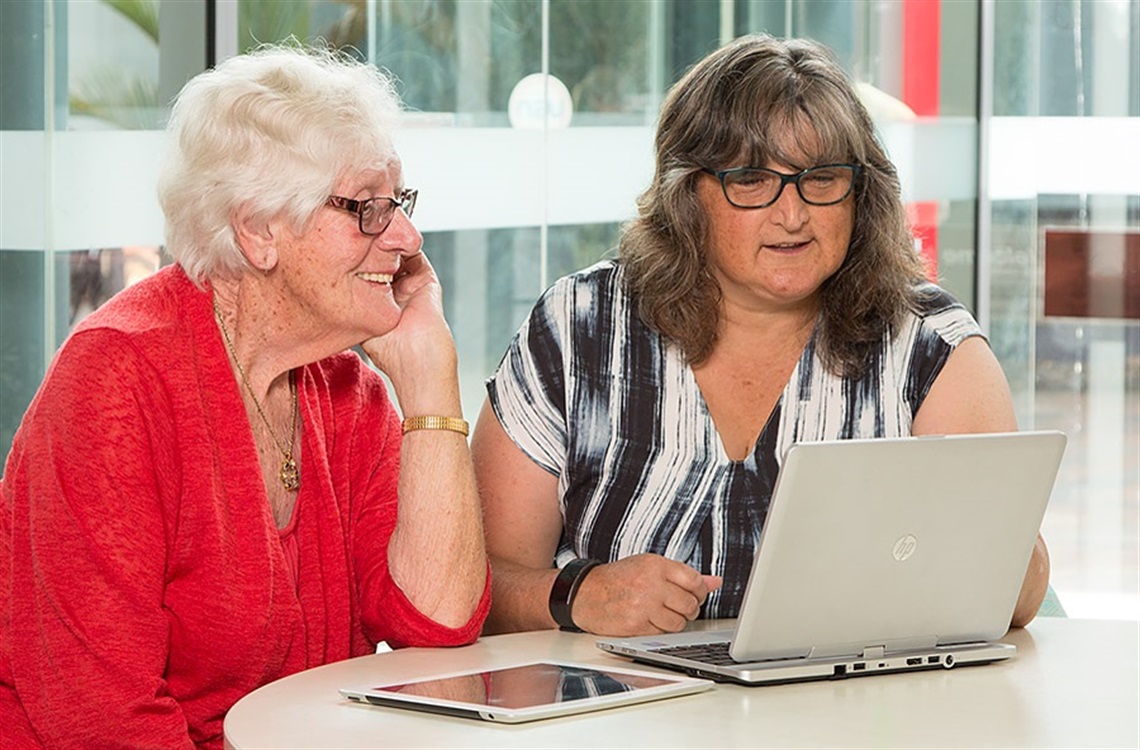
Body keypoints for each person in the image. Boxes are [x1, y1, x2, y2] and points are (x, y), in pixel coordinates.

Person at [471, 33, 1050, 637]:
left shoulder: (931, 346)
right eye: (751, 180)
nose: (792, 214)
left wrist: (1007, 552)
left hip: (857, 718)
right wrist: (577, 595)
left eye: (821, 179)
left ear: (861, 193)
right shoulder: (578, 327)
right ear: (686, 193)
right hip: (621, 714)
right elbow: (481, 581)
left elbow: (1018, 592)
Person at [0, 44, 490, 749]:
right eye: (369, 210)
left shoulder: (346, 389)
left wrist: (430, 380)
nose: (408, 239)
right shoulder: (117, 376)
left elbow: (437, 625)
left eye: (401, 204)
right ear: (258, 230)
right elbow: (100, 720)